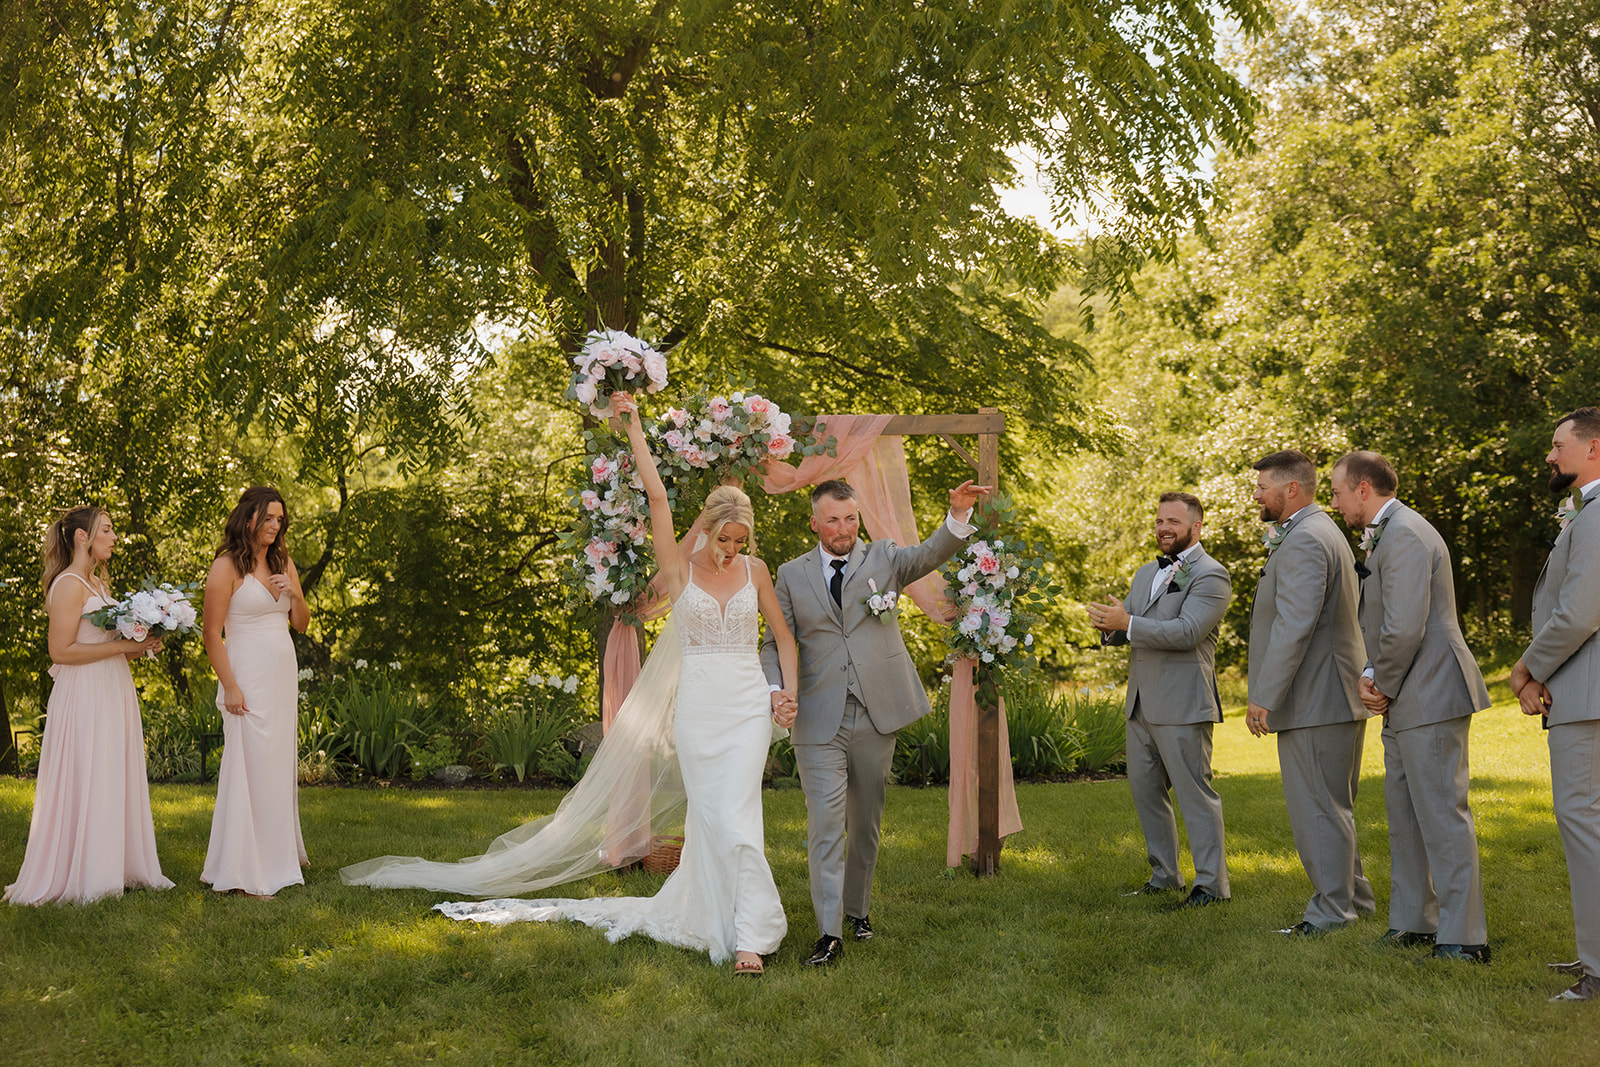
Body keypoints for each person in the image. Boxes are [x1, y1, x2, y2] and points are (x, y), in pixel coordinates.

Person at [346, 392, 800, 976]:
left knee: (740, 816)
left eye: (741, 542)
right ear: (705, 531)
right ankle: (718, 916)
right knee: (713, 816)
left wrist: (781, 692)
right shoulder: (676, 568)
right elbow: (658, 496)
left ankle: (749, 936)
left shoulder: (756, 572)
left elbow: (784, 639)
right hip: (700, 712)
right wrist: (634, 428)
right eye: (725, 539)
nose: (733, 550)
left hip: (746, 707)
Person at [761, 476, 988, 967]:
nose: (843, 528)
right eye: (833, 520)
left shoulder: (883, 558)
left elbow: (929, 554)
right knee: (825, 826)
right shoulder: (789, 574)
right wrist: (776, 689)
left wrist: (958, 516)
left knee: (864, 825)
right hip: (818, 719)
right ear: (815, 523)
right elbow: (772, 642)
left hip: (876, 713)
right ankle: (828, 933)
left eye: (850, 518)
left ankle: (857, 912)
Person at [1330, 451, 1491, 963]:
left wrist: (1379, 680)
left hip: (1431, 690)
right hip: (1407, 694)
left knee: (1442, 815)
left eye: (1336, 492)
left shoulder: (1404, 533)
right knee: (1405, 814)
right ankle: (1414, 922)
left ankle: (1465, 938)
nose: (1333, 503)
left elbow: (1404, 625)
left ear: (1362, 489)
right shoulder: (1388, 531)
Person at [5, 507, 174, 905]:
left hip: (112, 686)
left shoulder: (97, 584)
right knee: (89, 770)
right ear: (82, 536)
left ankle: (118, 864)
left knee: (113, 770)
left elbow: (112, 648)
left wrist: (144, 643)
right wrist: (121, 645)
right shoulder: (67, 585)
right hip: (83, 692)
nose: (115, 537)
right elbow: (60, 651)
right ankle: (85, 872)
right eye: (108, 530)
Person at [1246, 449, 1376, 936]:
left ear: (1291, 489)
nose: (1256, 494)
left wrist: (1265, 694)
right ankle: (1355, 901)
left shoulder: (1304, 539)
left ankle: (1329, 913)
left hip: (1314, 699)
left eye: (1262, 486)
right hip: (1333, 695)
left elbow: (1294, 624)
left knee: (1317, 810)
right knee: (1334, 806)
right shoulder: (1325, 531)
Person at [1087, 491, 1233, 909]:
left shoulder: (1212, 575)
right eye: (1159, 521)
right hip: (1141, 704)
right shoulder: (1144, 572)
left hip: (1184, 703)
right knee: (1146, 793)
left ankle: (1211, 886)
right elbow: (1130, 627)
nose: (1164, 528)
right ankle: (1164, 875)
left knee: (1194, 796)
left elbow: (1188, 632)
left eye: (1173, 521)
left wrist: (1128, 622)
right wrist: (1108, 627)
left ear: (1196, 527)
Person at [1510, 407, 1600, 1002]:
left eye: (1557, 444)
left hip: (1587, 695)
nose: (1550, 455)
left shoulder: (1595, 517)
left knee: (1582, 822)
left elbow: (1578, 613)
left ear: (1594, 448)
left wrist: (1525, 670)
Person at [200, 487, 310, 898]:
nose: (274, 526)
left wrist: (293, 593)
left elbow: (301, 624)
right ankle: (246, 867)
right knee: (249, 765)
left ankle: (279, 853)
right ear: (249, 518)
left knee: (276, 765)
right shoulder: (225, 567)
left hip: (281, 675)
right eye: (268, 519)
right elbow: (212, 635)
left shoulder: (283, 562)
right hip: (245, 675)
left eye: (280, 520)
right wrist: (229, 684)